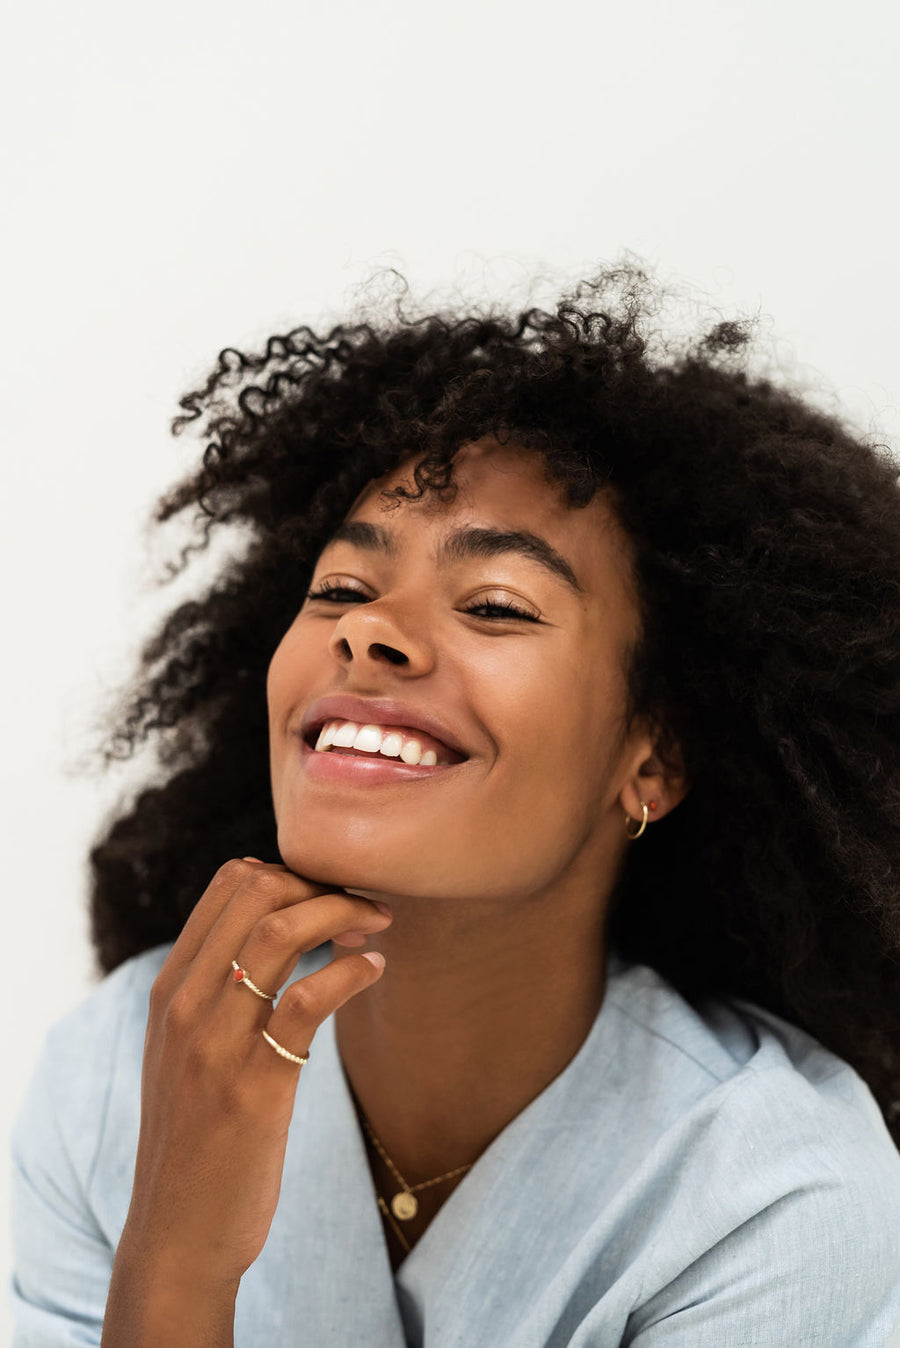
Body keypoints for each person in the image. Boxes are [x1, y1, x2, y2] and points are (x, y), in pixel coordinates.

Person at [10, 269, 900, 1347]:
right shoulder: (119, 1070)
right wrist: (177, 1248)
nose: (368, 632)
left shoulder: (771, 1194)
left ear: (652, 760)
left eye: (493, 604)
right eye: (339, 588)